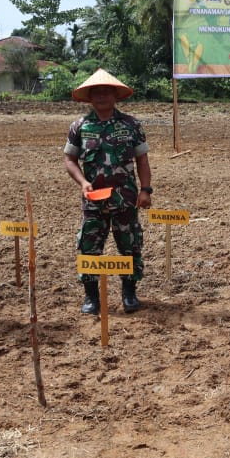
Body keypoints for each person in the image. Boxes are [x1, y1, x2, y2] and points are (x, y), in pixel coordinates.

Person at [64, 69, 152, 315]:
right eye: (97, 93)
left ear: (115, 96)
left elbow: (142, 161)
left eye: (107, 92)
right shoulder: (80, 126)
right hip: (93, 201)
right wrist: (82, 182)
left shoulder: (132, 125)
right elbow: (69, 160)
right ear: (90, 97)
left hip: (126, 199)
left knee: (130, 245)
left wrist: (145, 190)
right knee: (89, 246)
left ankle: (129, 293)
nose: (102, 97)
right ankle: (91, 297)